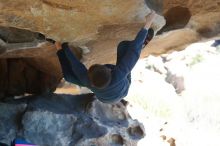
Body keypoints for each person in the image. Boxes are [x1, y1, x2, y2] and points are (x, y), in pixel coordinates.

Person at [55, 11, 156, 103]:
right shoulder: (119, 74)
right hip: (123, 90)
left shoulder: (86, 80)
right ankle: (143, 42)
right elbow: (134, 53)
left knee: (68, 76)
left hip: (105, 98)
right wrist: (148, 23)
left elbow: (76, 65)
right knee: (124, 47)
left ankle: (57, 47)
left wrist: (62, 47)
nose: (105, 65)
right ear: (110, 70)